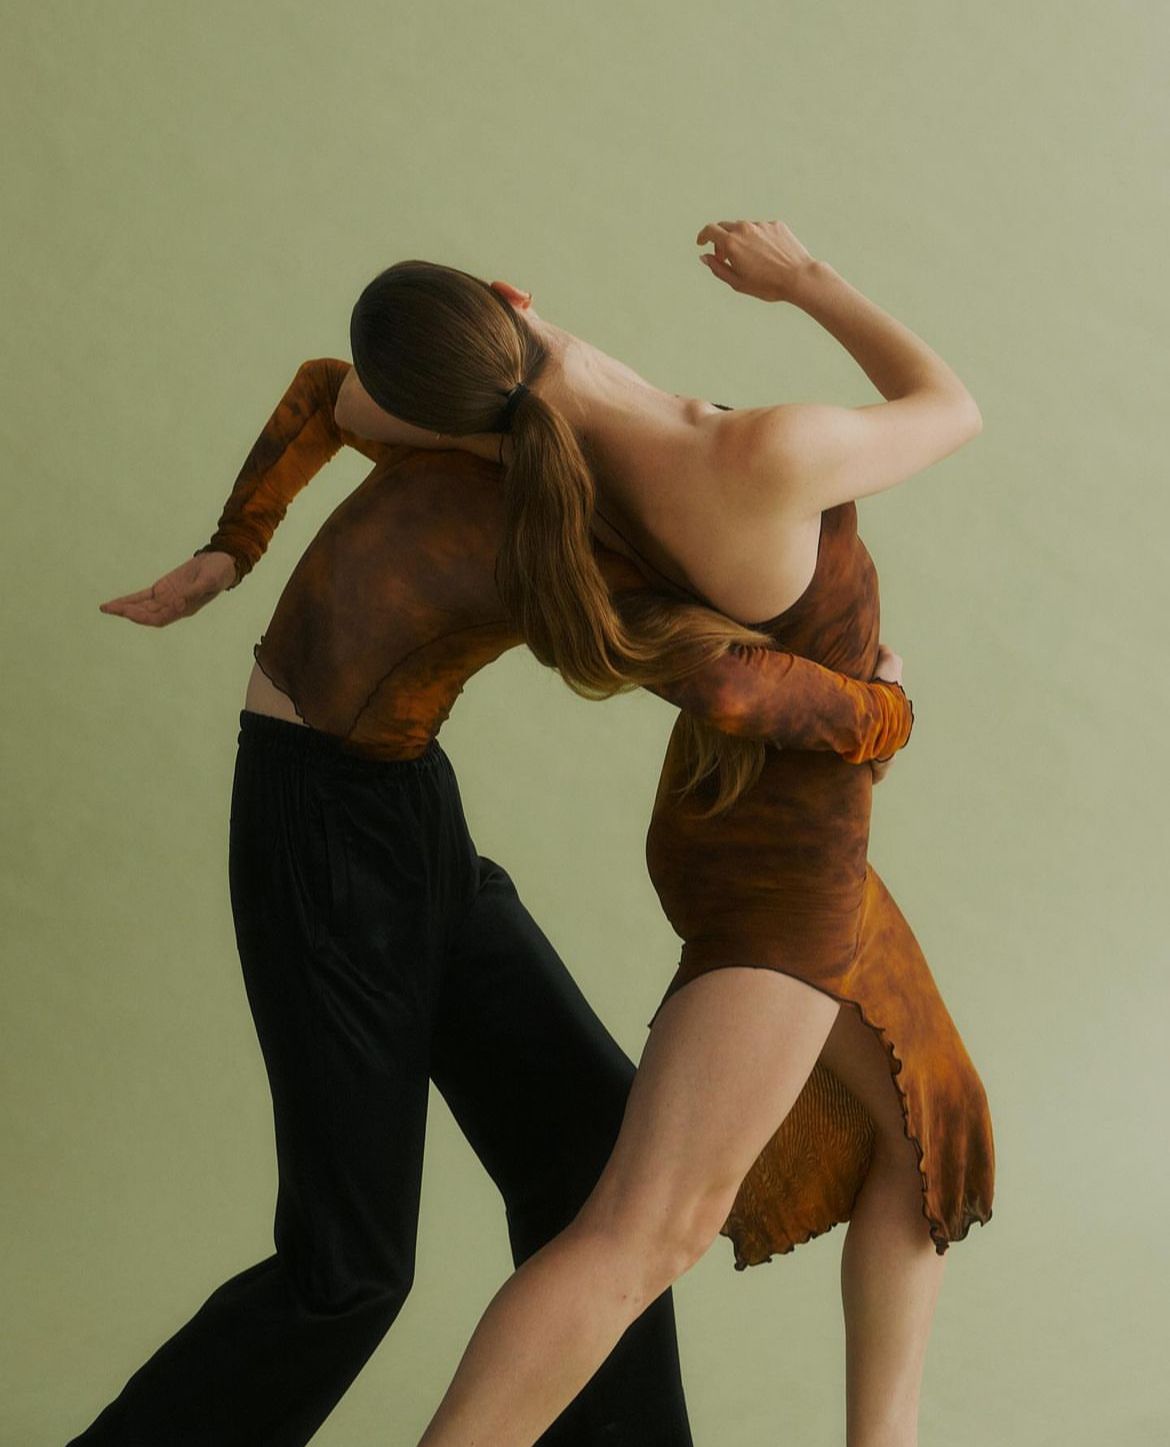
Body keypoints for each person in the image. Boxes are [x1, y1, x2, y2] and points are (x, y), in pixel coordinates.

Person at [71, 342, 912, 1446]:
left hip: (407, 809)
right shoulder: (542, 520)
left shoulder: (538, 464)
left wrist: (234, 549)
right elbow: (724, 683)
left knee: (588, 1151)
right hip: (319, 835)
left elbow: (326, 388)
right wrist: (885, 713)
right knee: (347, 1269)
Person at [337, 218, 995, 1447]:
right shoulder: (762, 450)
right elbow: (949, 404)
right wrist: (809, 284)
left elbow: (356, 409)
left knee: (932, 1118)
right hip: (788, 867)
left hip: (735, 822)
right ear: (512, 293)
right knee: (646, 1230)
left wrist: (231, 543)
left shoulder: (544, 469)